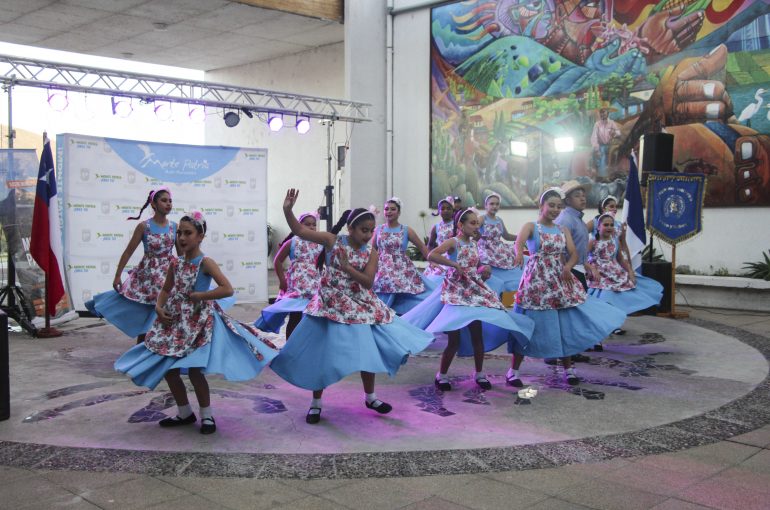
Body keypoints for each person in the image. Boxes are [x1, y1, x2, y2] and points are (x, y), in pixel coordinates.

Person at [270, 189, 434, 425]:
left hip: (359, 305)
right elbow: (299, 231)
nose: (368, 235)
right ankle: (316, 403)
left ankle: (371, 397)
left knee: (367, 350)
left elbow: (367, 282)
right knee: (322, 353)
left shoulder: (372, 252)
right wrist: (287, 209)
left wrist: (348, 269)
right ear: (351, 228)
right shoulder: (331, 240)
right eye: (363, 230)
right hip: (329, 304)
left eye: (370, 230)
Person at [114, 211, 280, 434]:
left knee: (195, 371)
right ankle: (184, 412)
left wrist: (201, 296)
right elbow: (165, 289)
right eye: (180, 233)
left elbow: (226, 288)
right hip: (175, 321)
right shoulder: (175, 262)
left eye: (188, 233)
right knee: (170, 371)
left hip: (198, 323)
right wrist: (159, 306)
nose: (182, 238)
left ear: (200, 236)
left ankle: (207, 415)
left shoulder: (205, 262)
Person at [402, 208, 533, 392]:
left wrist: (484, 269)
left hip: (473, 290)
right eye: (472, 223)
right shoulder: (453, 242)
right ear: (460, 225)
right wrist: (453, 264)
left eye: (477, 223)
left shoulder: (473, 244)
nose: (476, 226)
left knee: (477, 336)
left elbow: (476, 265)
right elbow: (432, 255)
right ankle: (442, 375)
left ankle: (479, 373)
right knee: (453, 340)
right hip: (456, 292)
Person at [508, 189, 626, 386]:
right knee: (528, 324)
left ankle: (568, 369)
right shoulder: (531, 226)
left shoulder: (563, 230)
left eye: (558, 207)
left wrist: (568, 267)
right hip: (536, 281)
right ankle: (514, 370)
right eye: (551, 205)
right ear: (541, 206)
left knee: (565, 323)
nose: (555, 210)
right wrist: (519, 253)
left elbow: (573, 253)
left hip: (559, 279)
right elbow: (518, 243)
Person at [86, 188, 178, 344]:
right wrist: (117, 276)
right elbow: (128, 252)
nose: (168, 204)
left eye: (170, 201)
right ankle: (140, 354)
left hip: (168, 274)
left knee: (167, 314)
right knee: (145, 317)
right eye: (164, 200)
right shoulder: (144, 227)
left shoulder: (174, 227)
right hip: (148, 277)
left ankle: (166, 350)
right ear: (153, 204)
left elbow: (182, 256)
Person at [254, 212, 323, 338]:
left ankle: (307, 344)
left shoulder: (320, 243)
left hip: (314, 286)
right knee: (295, 315)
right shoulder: (292, 242)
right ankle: (290, 343)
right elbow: (278, 261)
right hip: (297, 286)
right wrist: (282, 280)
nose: (311, 227)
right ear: (298, 225)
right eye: (307, 224)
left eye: (314, 224)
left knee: (311, 316)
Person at [586, 213, 663, 319]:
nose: (609, 227)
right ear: (598, 227)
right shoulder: (593, 241)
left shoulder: (615, 241)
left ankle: (615, 323)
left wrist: (630, 272)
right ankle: (602, 322)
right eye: (606, 225)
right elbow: (582, 258)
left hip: (614, 274)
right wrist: (592, 269)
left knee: (617, 300)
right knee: (602, 300)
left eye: (611, 225)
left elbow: (621, 259)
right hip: (599, 275)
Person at [373, 197, 436, 314]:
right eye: (387, 209)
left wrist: (432, 261)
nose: (389, 211)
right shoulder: (378, 230)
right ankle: (382, 315)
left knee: (405, 294)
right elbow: (372, 250)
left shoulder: (406, 230)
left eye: (393, 209)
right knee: (384, 292)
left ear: (399, 212)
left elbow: (422, 247)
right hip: (382, 269)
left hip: (401, 268)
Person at [553, 179, 593, 364]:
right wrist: (566, 270)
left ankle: (572, 350)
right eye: (577, 196)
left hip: (578, 269)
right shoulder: (565, 219)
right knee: (567, 314)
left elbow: (581, 248)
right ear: (567, 200)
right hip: (569, 271)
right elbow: (560, 250)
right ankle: (558, 353)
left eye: (583, 195)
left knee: (575, 313)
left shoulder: (577, 218)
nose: (582, 198)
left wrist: (587, 266)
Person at [477, 192, 525, 292]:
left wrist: (521, 237)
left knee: (518, 258)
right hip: (485, 248)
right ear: (486, 205)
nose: (495, 206)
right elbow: (472, 231)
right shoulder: (482, 218)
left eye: (497, 204)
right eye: (491, 204)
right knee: (485, 260)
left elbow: (506, 236)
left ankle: (513, 288)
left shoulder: (499, 220)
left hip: (498, 248)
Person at [423, 196, 455, 283]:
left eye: (448, 208)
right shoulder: (436, 227)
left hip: (454, 259)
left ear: (453, 210)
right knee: (431, 279)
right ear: (439, 211)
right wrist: (431, 261)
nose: (445, 211)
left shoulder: (457, 225)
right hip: (440, 258)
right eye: (442, 208)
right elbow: (430, 245)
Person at [591, 108, 621, 179]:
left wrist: (614, 133)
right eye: (601, 114)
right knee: (601, 155)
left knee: (616, 153)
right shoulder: (597, 124)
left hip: (610, 144)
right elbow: (594, 137)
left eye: (604, 114)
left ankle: (614, 172)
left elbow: (618, 133)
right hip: (601, 145)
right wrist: (596, 148)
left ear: (607, 114)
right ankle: (601, 175)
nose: (603, 115)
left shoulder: (612, 123)